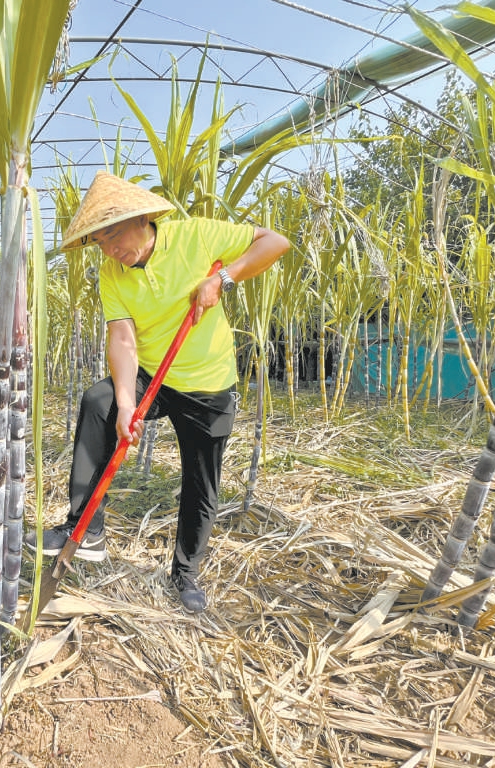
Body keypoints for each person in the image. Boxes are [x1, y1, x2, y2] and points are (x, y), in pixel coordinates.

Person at [28, 171, 290, 612]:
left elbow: (274, 242)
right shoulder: (112, 273)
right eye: (99, 242)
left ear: (143, 218)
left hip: (207, 381)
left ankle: (185, 574)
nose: (110, 249)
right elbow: (123, 338)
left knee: (201, 482)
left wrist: (223, 278)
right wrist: (126, 404)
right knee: (100, 401)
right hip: (154, 374)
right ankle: (85, 526)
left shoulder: (196, 236)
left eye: (112, 234)